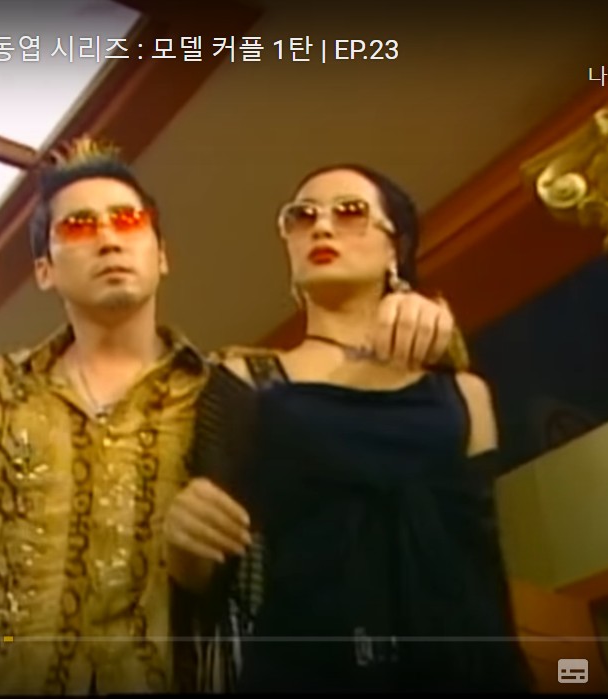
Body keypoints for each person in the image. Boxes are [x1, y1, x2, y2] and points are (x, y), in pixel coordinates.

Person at [0, 139, 463, 695]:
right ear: (45, 268)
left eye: (127, 220)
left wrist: (424, 321)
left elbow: (371, 408)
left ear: (161, 253)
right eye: (79, 226)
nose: (108, 237)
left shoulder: (235, 387)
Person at [165, 165, 531, 693]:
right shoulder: (244, 379)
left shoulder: (465, 393)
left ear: (394, 248)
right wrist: (182, 538)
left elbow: (482, 556)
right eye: (301, 216)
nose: (321, 226)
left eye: (350, 212)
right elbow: (206, 568)